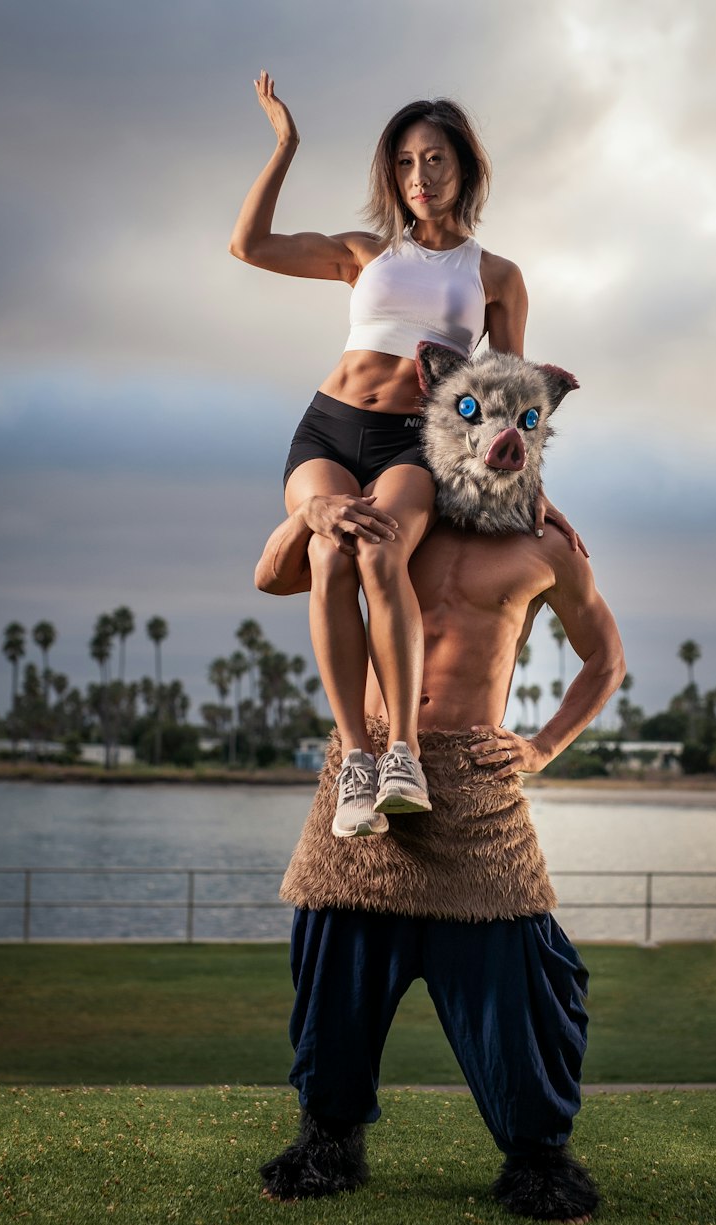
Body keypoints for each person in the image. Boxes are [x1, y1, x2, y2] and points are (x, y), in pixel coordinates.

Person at [250, 348, 625, 1224]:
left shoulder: (544, 545)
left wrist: (540, 749)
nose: (494, 432)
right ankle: (327, 1141)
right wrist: (313, 507)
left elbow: (604, 659)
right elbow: (273, 575)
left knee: (520, 983)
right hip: (369, 767)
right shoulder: (391, 513)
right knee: (334, 968)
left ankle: (538, 1158)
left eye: (516, 420)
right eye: (475, 413)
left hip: (475, 792)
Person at [230, 74, 564, 838]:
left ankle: (401, 756)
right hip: (327, 427)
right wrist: (285, 147)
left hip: (412, 444)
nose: (420, 177)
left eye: (436, 160)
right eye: (407, 163)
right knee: (326, 555)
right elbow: (247, 246)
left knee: (376, 554)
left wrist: (532, 490)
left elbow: (509, 398)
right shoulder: (364, 253)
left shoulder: (496, 276)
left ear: (465, 170)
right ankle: (357, 761)